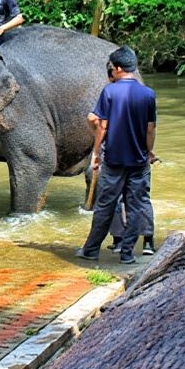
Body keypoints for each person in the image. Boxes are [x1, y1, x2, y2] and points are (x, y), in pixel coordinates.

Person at [75, 46, 156, 265]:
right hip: (139, 161)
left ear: (118, 68)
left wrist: (95, 153)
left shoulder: (109, 92)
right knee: (136, 205)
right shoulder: (148, 94)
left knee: (105, 205)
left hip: (114, 160)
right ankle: (127, 253)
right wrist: (148, 152)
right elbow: (150, 129)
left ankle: (91, 250)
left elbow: (101, 126)